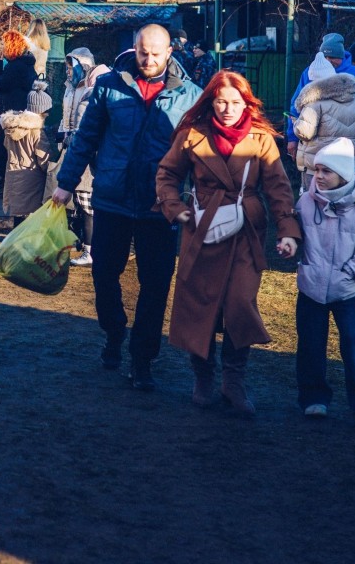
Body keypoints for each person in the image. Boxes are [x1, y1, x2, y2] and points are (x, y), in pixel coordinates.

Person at [51, 24, 201, 390]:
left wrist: (200, 195)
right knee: (103, 273)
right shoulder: (109, 87)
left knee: (155, 284)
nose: (148, 60)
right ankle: (114, 329)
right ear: (135, 49)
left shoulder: (191, 97)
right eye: (142, 52)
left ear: (169, 52)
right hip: (112, 200)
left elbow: (200, 152)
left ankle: (142, 357)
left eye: (155, 53)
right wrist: (65, 183)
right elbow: (86, 138)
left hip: (159, 206)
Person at [155, 70, 300, 415]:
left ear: (246, 103)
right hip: (201, 228)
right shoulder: (191, 134)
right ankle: (202, 377)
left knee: (240, 303)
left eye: (235, 102)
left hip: (246, 232)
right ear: (211, 100)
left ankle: (233, 381)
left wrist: (288, 231)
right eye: (221, 100)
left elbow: (278, 187)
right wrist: (175, 209)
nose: (227, 108)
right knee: (199, 304)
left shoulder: (262, 138)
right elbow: (167, 174)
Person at [294, 137, 355, 422]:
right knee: (310, 343)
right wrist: (290, 248)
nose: (318, 176)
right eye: (316, 170)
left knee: (353, 342)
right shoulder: (305, 204)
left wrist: (351, 272)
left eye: (325, 171)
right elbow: (294, 236)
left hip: (346, 291)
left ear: (343, 174)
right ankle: (313, 397)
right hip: (310, 287)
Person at [285, 33, 355, 171]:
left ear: (341, 56)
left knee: (349, 189)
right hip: (315, 149)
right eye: (325, 56)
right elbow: (295, 107)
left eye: (333, 57)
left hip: (349, 150)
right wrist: (292, 137)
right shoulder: (310, 73)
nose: (329, 60)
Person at [58, 47, 108, 266]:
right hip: (71, 147)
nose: (68, 71)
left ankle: (91, 250)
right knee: (78, 200)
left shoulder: (92, 90)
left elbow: (87, 122)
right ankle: (84, 243)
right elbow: (66, 116)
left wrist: (75, 137)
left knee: (87, 201)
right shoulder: (69, 88)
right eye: (67, 67)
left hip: (86, 150)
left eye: (72, 67)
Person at [291, 51, 355, 191]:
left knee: (314, 205)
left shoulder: (314, 104)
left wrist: (295, 123)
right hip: (344, 168)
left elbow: (304, 133)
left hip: (317, 167)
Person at [0, 31, 39, 193]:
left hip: (12, 118)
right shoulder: (24, 64)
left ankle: (4, 185)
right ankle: (5, 185)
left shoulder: (16, 67)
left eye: (4, 44)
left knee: (5, 151)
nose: (1, 48)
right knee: (7, 151)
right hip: (15, 116)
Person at [1, 81, 53, 225]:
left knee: (18, 216)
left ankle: (15, 243)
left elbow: (6, 146)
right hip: (32, 179)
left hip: (13, 174)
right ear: (42, 111)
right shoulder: (37, 132)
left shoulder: (11, 127)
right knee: (31, 217)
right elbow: (43, 159)